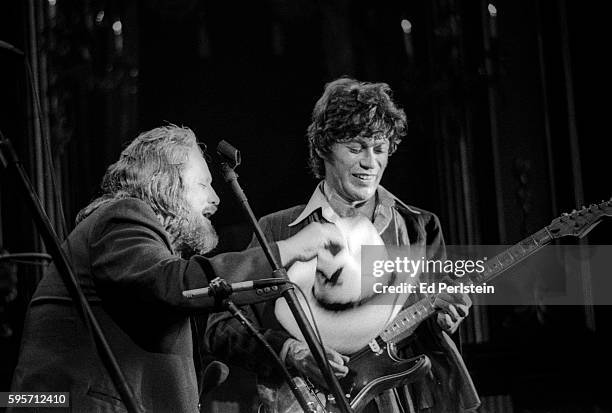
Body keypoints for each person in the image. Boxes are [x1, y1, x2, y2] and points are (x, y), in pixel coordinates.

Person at [10, 125, 345, 412]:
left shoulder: (143, 249)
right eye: (203, 184)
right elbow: (174, 285)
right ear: (164, 182)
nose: (216, 198)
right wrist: (287, 249)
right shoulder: (124, 216)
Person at [206, 78, 481, 412]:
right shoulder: (276, 229)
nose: (370, 163)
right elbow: (222, 329)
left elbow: (431, 324)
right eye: (355, 148)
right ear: (323, 148)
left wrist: (445, 319)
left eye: (379, 149)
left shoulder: (419, 226)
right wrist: (294, 352)